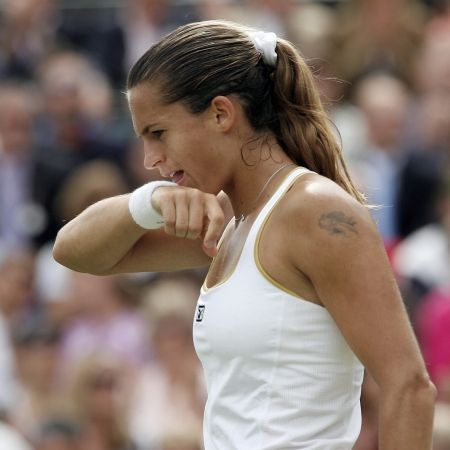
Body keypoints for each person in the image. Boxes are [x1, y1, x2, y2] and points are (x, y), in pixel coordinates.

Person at [53, 20, 436, 450]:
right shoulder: (230, 221)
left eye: (158, 133)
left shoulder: (313, 211)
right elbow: (74, 252)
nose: (150, 159)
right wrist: (150, 202)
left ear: (221, 113)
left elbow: (409, 385)